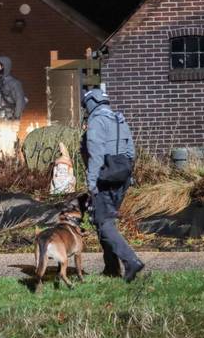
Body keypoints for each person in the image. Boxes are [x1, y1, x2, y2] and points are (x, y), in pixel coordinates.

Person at [81, 89, 144, 282]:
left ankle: (131, 261)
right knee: (105, 221)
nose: (86, 109)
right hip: (122, 178)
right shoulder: (119, 119)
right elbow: (131, 152)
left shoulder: (96, 121)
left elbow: (96, 155)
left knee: (103, 222)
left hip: (105, 178)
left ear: (91, 103)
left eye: (85, 105)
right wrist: (127, 174)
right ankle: (111, 268)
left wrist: (91, 182)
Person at [0, 56, 28, 120]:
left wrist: (16, 118)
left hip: (8, 120)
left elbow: (20, 101)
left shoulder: (14, 83)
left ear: (5, 67)